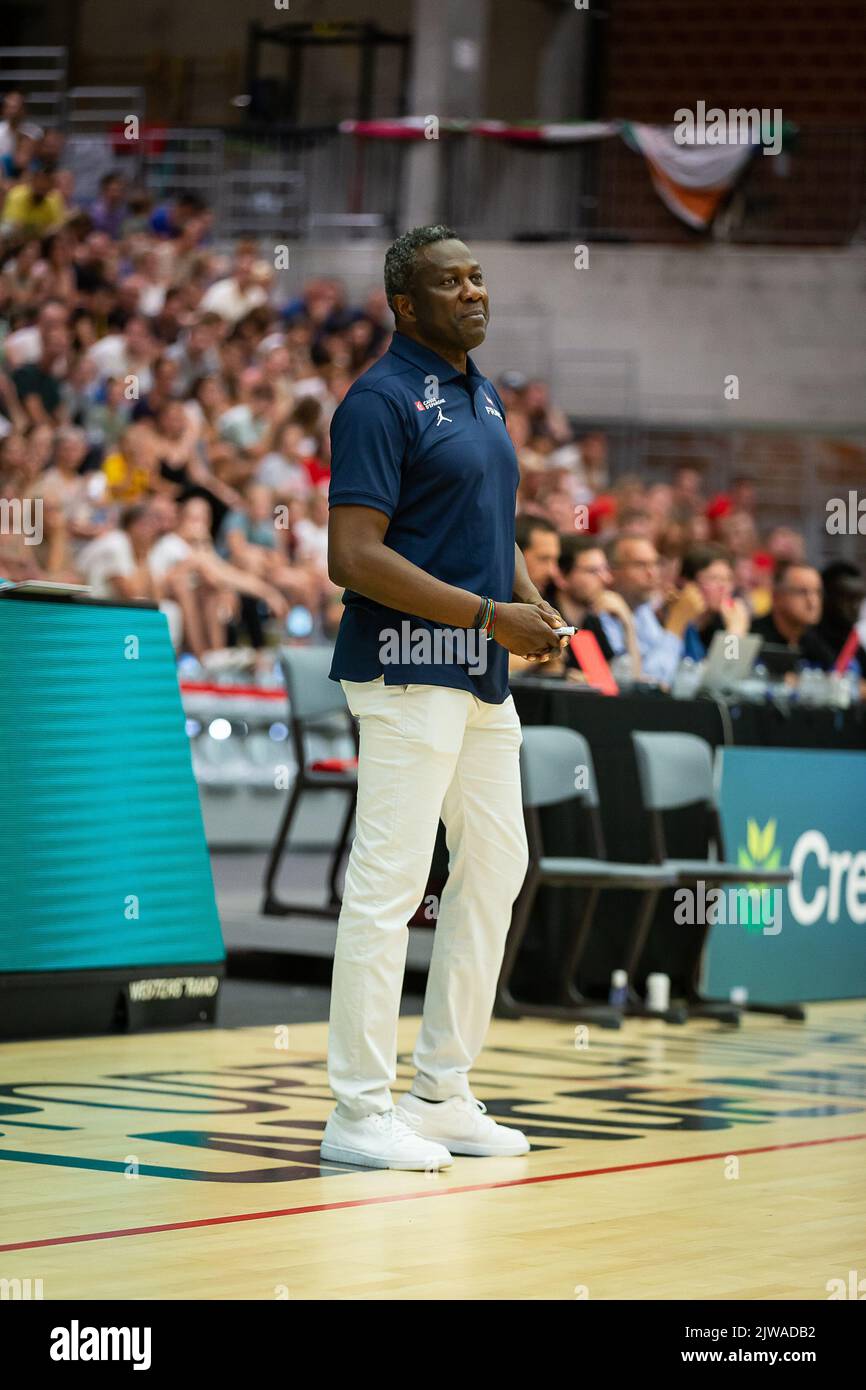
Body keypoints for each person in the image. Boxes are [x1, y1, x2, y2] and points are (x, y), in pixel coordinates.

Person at [322, 224, 565, 1172]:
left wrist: (531, 606)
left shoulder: (484, 394)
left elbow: (480, 530)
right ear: (406, 305)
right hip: (403, 666)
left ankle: (442, 1090)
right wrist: (486, 614)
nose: (472, 292)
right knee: (388, 888)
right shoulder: (379, 401)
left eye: (477, 277)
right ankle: (356, 1109)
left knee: (495, 870)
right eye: (448, 282)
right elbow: (354, 555)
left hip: (476, 673)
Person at [607, 535, 684, 686]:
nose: (652, 574)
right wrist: (676, 624)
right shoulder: (601, 613)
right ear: (612, 571)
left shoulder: (643, 610)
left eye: (655, 564)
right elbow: (645, 680)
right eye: (640, 565)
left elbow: (666, 676)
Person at [674, 543, 751, 661]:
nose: (724, 587)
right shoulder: (676, 625)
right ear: (687, 583)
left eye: (728, 579)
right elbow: (719, 675)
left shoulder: (723, 622)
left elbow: (739, 671)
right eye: (713, 578)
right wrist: (734, 634)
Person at [750, 560, 829, 667]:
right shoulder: (753, 636)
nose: (812, 601)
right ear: (776, 597)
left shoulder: (813, 638)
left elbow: (836, 675)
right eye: (802, 592)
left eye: (818, 592)